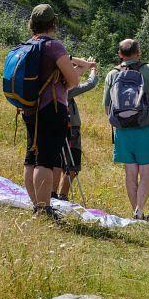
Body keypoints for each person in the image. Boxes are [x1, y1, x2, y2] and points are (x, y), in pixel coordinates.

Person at [22, 4, 93, 219]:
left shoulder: (28, 44)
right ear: (53, 23)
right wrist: (64, 81)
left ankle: (36, 204)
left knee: (31, 155)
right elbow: (73, 80)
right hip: (52, 108)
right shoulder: (54, 47)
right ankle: (44, 208)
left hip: (30, 107)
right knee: (46, 158)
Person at [102, 39, 149, 220]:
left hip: (123, 129)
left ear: (120, 54)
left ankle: (134, 211)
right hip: (147, 127)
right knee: (146, 172)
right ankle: (140, 209)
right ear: (138, 52)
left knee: (130, 172)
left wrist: (119, 121)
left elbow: (107, 106)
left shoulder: (112, 74)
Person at [55, 60, 97, 200]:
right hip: (71, 128)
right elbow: (90, 84)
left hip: (58, 126)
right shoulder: (65, 88)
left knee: (59, 163)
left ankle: (54, 193)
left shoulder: (53, 83)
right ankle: (62, 196)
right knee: (72, 166)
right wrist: (92, 69)